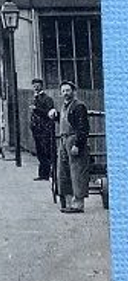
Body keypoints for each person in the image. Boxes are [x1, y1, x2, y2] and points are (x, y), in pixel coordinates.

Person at [50, 80, 90, 213]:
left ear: (73, 91)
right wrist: (55, 116)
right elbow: (64, 120)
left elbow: (83, 128)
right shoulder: (65, 106)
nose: (65, 93)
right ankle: (67, 201)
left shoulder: (79, 106)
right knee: (63, 171)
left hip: (73, 140)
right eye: (63, 91)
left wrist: (78, 144)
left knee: (77, 172)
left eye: (68, 90)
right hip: (63, 140)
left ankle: (78, 204)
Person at [29, 78, 56, 182]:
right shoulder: (34, 98)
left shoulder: (47, 99)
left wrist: (36, 109)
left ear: (41, 86)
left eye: (37, 85)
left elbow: (49, 113)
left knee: (47, 151)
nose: (36, 87)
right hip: (37, 129)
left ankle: (49, 173)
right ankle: (43, 174)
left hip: (45, 129)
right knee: (40, 152)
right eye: (34, 85)